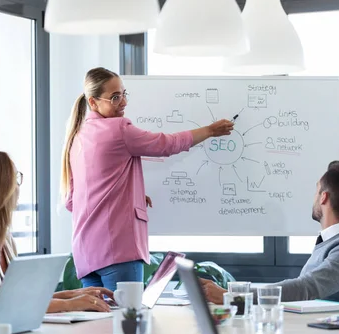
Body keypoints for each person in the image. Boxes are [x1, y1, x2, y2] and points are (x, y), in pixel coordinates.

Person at [61, 67, 235, 291]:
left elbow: (73, 201)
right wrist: (210, 130)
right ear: (93, 103)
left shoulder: (78, 135)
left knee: (99, 323)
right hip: (117, 252)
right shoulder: (118, 129)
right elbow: (166, 144)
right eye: (115, 97)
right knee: (128, 321)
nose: (123, 102)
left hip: (85, 254)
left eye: (124, 94)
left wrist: (128, 196)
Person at [0, 151, 113, 320]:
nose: (18, 187)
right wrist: (70, 304)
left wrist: (70, 295)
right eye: (15, 179)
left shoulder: (3, 238)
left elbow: (19, 299)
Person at [201, 161, 339, 304]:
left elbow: (305, 289)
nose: (313, 197)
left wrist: (230, 297)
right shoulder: (335, 240)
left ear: (324, 197)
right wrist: (228, 291)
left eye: (317, 190)